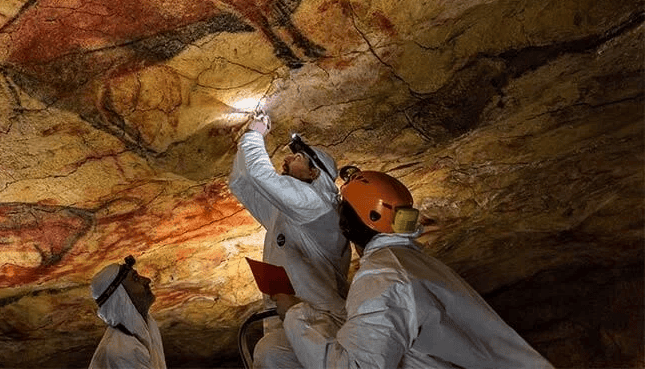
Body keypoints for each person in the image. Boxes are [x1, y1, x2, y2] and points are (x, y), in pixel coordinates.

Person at [272, 167, 555, 369]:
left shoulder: (384, 278)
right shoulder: (413, 262)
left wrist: (295, 315)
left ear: (347, 224)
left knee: (274, 353)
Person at [229, 112, 351, 369]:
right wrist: (245, 141)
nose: (285, 160)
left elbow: (262, 176)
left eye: (296, 158)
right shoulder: (288, 212)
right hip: (294, 319)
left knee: (270, 353)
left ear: (314, 174)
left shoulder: (317, 205)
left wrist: (256, 133)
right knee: (269, 353)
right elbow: (241, 182)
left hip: (321, 322)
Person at [89, 256, 166, 369]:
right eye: (135, 279)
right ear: (121, 297)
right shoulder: (122, 353)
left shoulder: (149, 325)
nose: (147, 280)